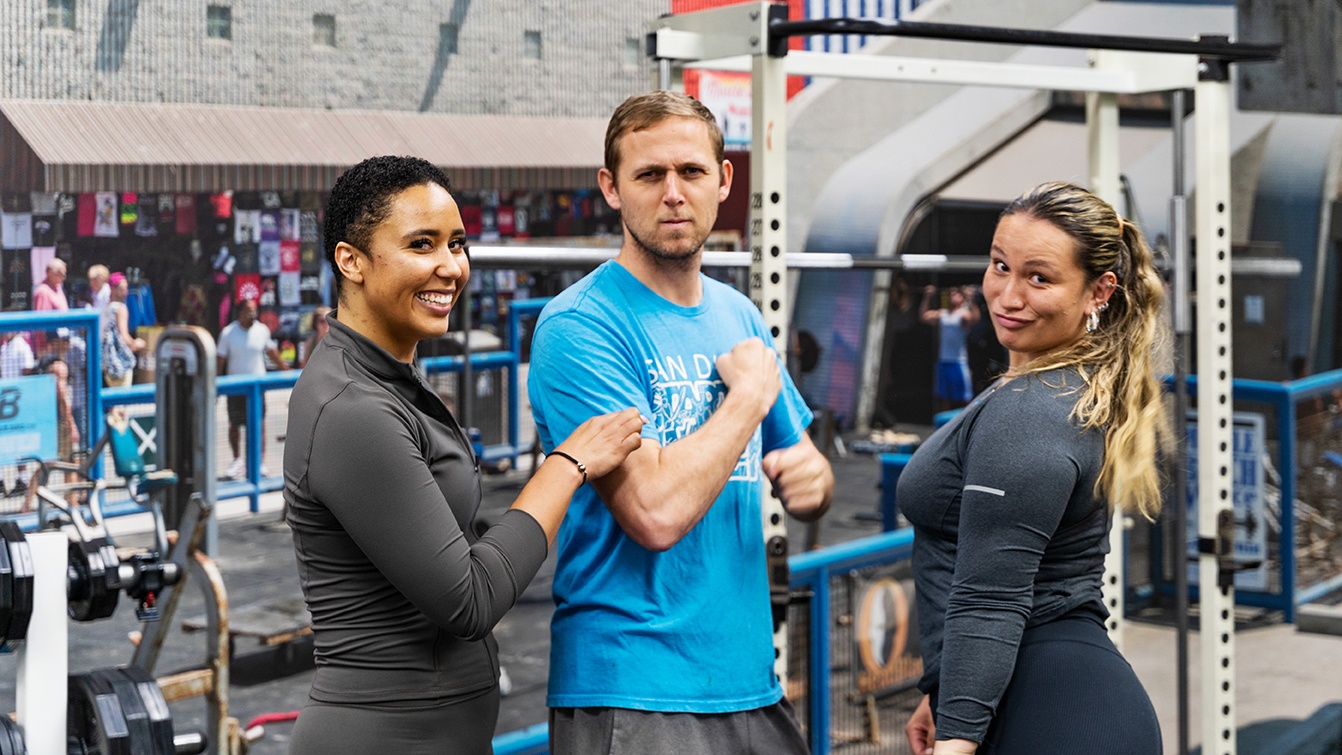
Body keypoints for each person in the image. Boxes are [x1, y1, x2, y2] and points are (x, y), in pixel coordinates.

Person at [283, 155, 643, 754]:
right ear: (351, 261)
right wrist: (567, 465)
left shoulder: (391, 380)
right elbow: (468, 599)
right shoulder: (352, 408)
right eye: (422, 245)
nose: (451, 267)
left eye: (458, 243)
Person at [528, 90, 834, 755]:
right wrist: (748, 399)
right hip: (634, 687)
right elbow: (655, 511)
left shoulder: (739, 315)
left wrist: (812, 479)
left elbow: (806, 471)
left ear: (724, 181)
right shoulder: (581, 326)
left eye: (691, 172)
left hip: (749, 679)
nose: (673, 193)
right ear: (611, 187)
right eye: (649, 174)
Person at [900, 181, 1168, 755]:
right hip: (1051, 696)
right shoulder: (1072, 388)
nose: (1007, 295)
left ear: (1099, 291)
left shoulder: (1030, 409)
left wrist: (955, 739)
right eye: (1000, 266)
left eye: (1038, 278)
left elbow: (991, 599)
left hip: (1050, 710)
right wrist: (940, 689)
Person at [217, 297, 287, 479]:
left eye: (255, 310)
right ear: (240, 313)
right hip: (236, 387)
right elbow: (220, 361)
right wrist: (216, 386)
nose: (253, 314)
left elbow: (272, 353)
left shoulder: (262, 330)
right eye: (249, 311)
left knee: (259, 425)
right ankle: (237, 461)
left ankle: (259, 463)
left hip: (258, 388)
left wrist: (287, 373)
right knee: (235, 425)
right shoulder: (228, 333)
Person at [920, 284, 980, 412]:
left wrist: (970, 299)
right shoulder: (943, 314)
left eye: (956, 294)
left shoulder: (963, 314)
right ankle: (944, 426)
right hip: (943, 360)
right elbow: (924, 317)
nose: (953, 296)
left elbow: (975, 319)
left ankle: (967, 423)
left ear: (961, 298)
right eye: (951, 294)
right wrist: (927, 296)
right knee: (944, 398)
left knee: (965, 397)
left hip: (959, 362)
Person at [103, 272, 145, 387]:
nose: (126, 292)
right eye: (123, 289)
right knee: (123, 401)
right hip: (121, 363)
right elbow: (124, 336)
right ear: (113, 289)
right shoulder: (121, 308)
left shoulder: (106, 308)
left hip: (108, 363)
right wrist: (136, 343)